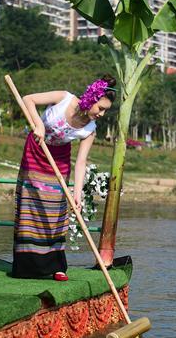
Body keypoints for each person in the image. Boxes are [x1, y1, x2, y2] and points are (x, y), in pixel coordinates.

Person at [12, 75, 116, 281]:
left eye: (105, 110)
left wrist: (77, 195)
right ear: (91, 98)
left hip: (59, 159)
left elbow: (81, 162)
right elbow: (27, 99)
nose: (102, 114)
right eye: (100, 108)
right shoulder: (64, 98)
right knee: (30, 205)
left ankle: (56, 266)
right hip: (36, 150)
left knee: (56, 210)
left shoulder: (90, 130)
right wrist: (39, 125)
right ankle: (26, 267)